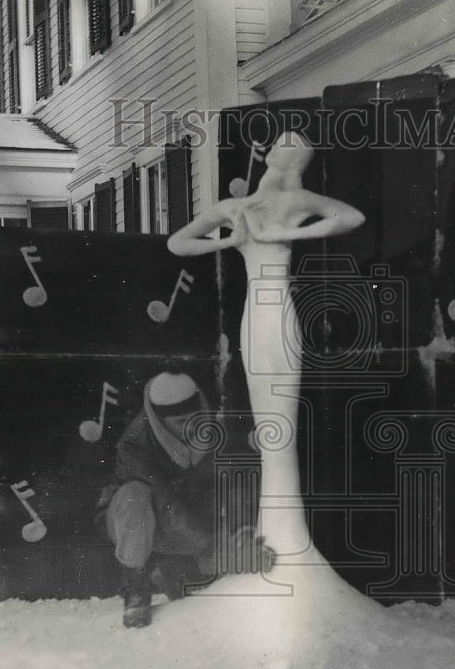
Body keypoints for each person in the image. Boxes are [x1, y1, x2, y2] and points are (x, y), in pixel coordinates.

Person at [167, 131, 365, 561]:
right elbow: (177, 242)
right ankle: (273, 533)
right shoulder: (235, 209)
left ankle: (288, 536)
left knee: (282, 424)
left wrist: (287, 237)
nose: (278, 149)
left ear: (297, 161)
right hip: (254, 315)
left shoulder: (297, 202)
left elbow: (351, 217)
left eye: (290, 147)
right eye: (279, 144)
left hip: (280, 313)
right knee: (266, 419)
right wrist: (227, 242)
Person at [96, 371, 274, 628]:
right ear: (159, 420)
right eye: (180, 422)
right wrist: (219, 551)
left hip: (185, 514)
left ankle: (185, 570)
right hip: (141, 519)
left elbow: (231, 470)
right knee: (134, 497)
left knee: (233, 474)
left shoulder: (211, 424)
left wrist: (251, 448)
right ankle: (136, 590)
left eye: (194, 418)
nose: (190, 426)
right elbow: (169, 503)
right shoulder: (134, 446)